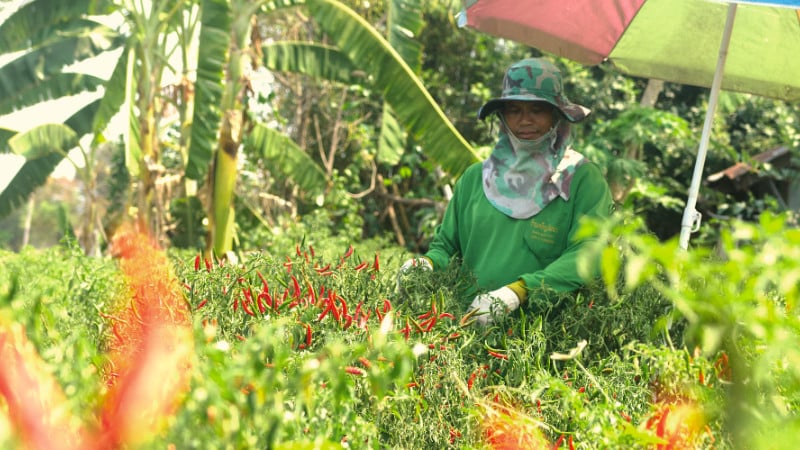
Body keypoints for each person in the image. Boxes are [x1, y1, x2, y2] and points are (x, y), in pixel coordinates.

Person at [397, 58, 613, 326]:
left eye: (537, 109)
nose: (525, 120)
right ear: (502, 116)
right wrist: (426, 265)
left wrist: (519, 292)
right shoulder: (476, 178)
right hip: (464, 330)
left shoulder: (580, 179)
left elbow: (589, 252)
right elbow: (447, 247)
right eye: (514, 110)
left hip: (539, 340)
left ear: (557, 115)